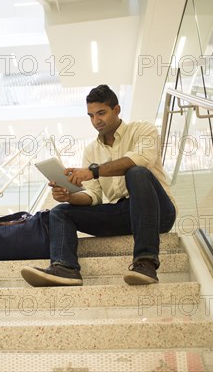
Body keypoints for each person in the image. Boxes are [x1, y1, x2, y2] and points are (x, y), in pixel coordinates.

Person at [20, 84, 177, 287]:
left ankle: (145, 262)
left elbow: (140, 160)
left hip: (158, 212)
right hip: (123, 213)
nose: (96, 121)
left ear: (117, 110)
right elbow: (94, 196)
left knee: (136, 172)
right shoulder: (91, 150)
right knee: (59, 212)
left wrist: (93, 171)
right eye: (91, 115)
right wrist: (69, 196)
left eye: (101, 113)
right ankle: (65, 268)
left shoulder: (143, 129)